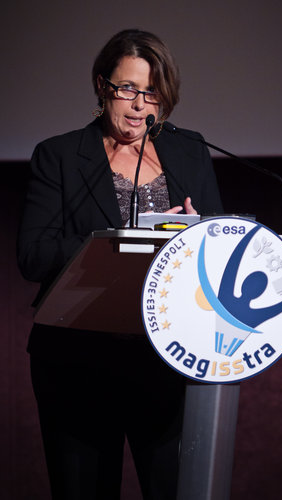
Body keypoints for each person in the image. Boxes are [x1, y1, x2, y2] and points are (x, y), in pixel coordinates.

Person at [17, 29, 223, 500]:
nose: (137, 105)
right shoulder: (60, 155)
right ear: (102, 86)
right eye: (127, 88)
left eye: (151, 92)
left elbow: (214, 243)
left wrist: (195, 236)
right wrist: (119, 242)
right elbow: (32, 256)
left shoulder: (189, 150)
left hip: (167, 358)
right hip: (77, 361)